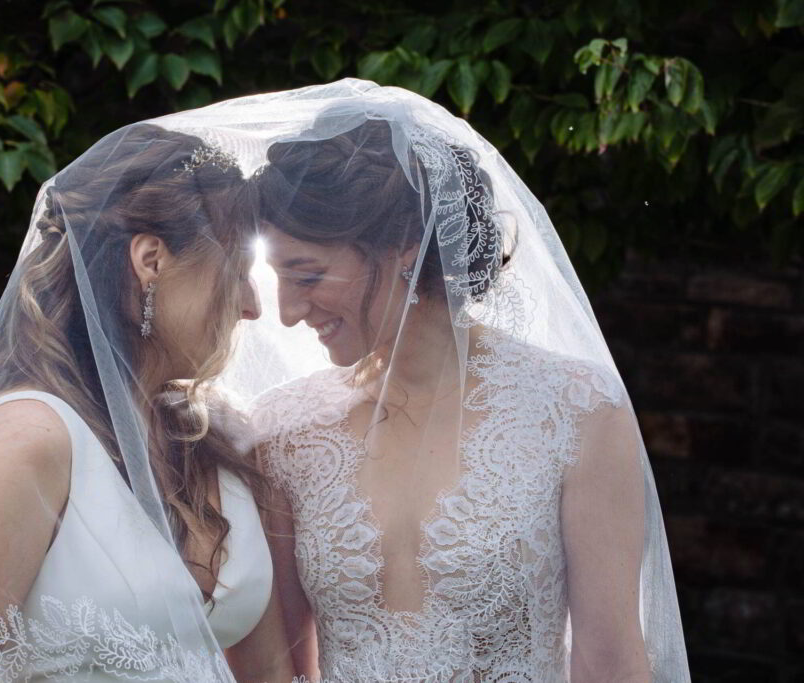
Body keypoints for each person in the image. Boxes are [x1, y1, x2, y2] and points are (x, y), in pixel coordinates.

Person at [240, 82, 690, 681]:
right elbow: (278, 666)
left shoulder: (575, 412)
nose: (289, 313)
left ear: (402, 249)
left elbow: (610, 661)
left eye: (307, 275)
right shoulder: (284, 430)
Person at [0, 123, 293, 682]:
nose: (253, 306)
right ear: (151, 260)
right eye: (236, 270)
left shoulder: (217, 440)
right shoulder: (28, 439)